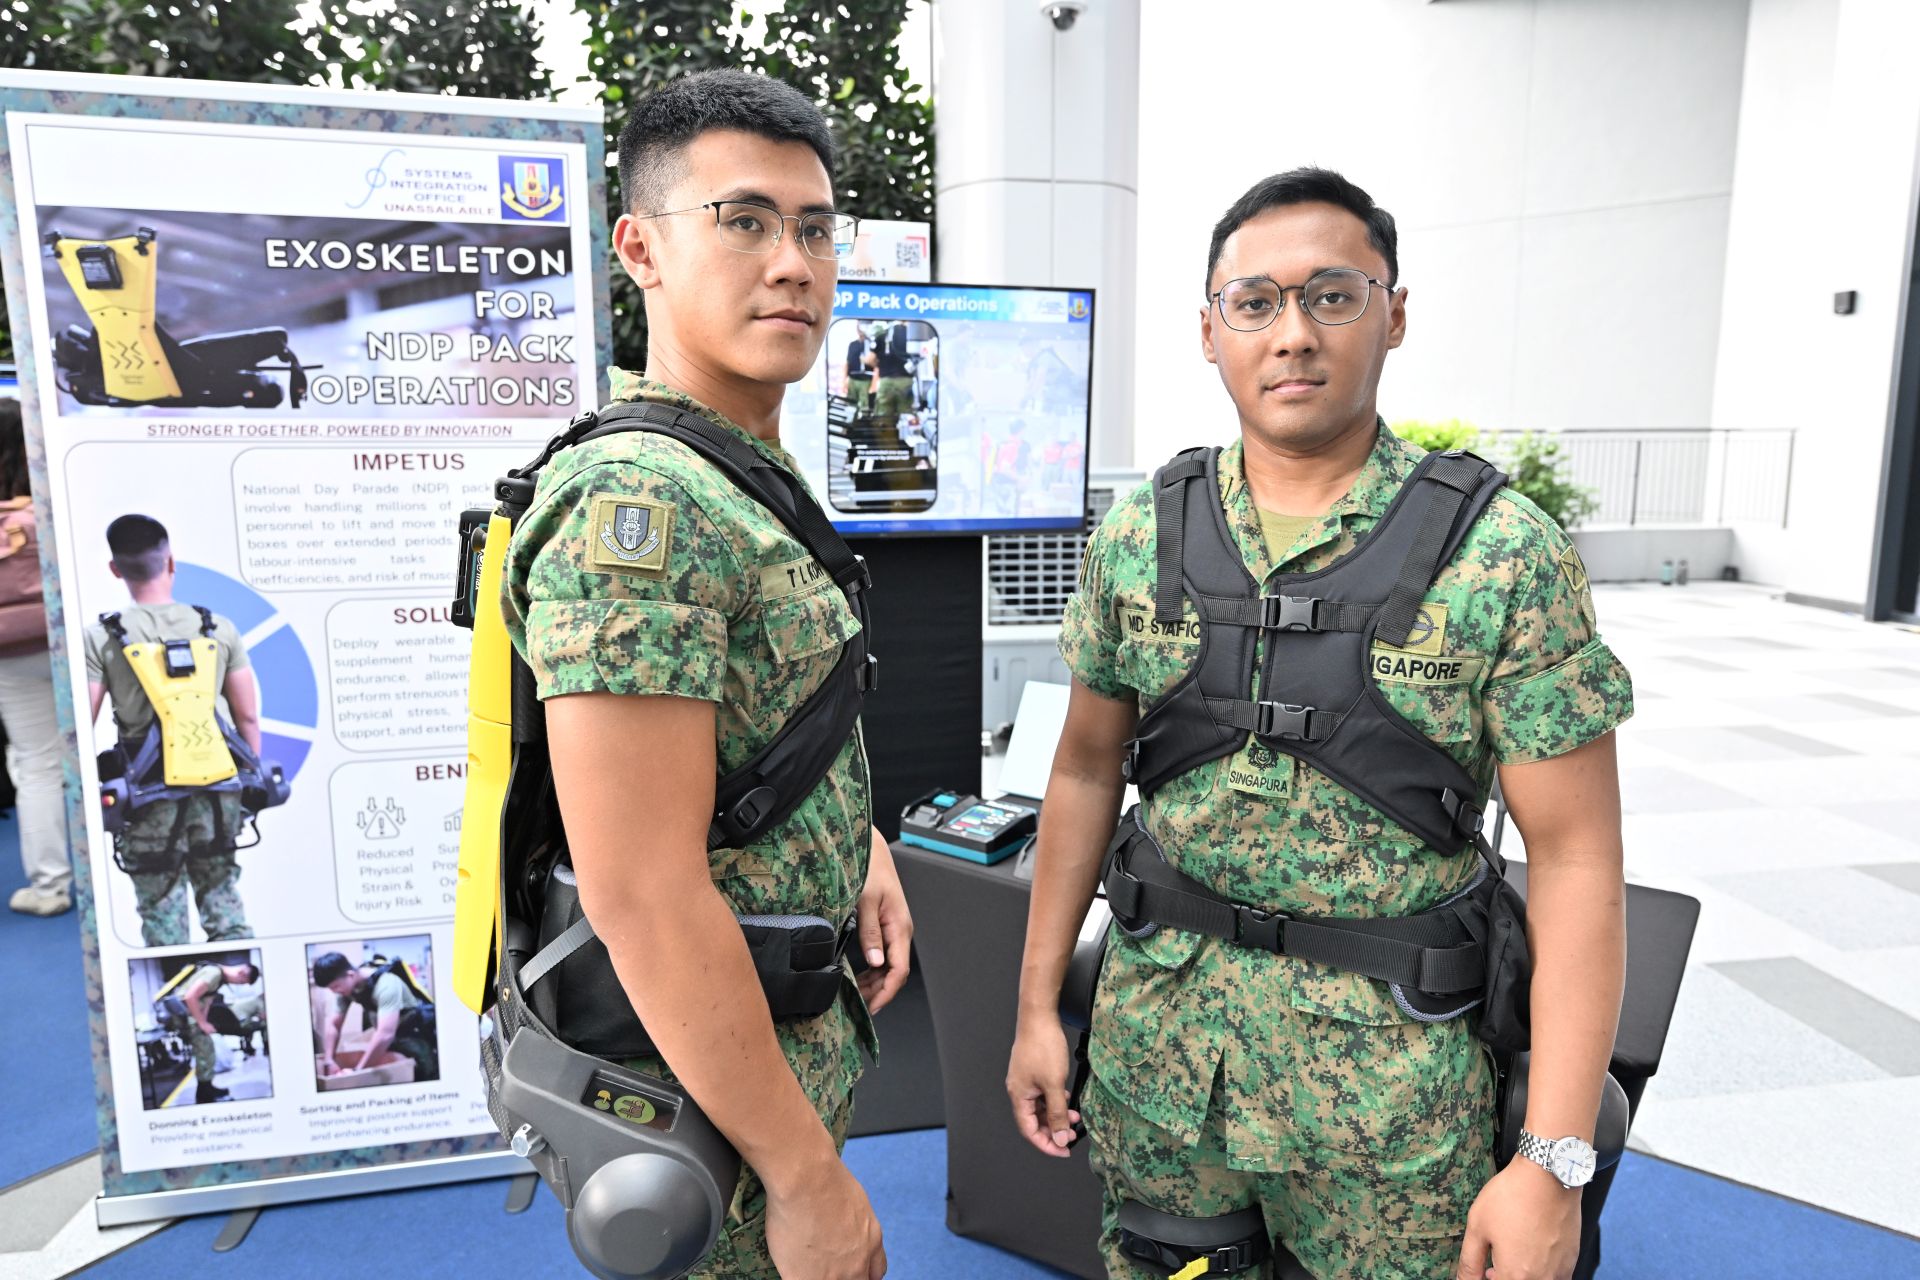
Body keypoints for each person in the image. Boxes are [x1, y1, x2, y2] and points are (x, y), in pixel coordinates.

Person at [1006, 168, 1633, 1280]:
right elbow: (1086, 774)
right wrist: (1037, 1008)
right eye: (1255, 302)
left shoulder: (1502, 554)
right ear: (1210, 330)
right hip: (1164, 1075)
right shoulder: (1138, 537)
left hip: (1394, 1109)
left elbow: (1578, 855)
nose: (1292, 333)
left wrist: (1552, 1159)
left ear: (1394, 313)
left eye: (1332, 296)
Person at [502, 69, 912, 1280]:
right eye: (744, 221)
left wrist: (858, 841)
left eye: (816, 228)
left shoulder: (731, 472)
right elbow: (640, 888)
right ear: (640, 248)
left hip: (771, 1042)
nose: (793, 262)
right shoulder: (642, 500)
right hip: (711, 1106)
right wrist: (806, 1178)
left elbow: (752, 732)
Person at [86, 515, 260, 945]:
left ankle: (177, 982)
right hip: (219, 790)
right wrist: (252, 779)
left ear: (115, 569)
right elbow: (247, 718)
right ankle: (240, 980)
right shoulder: (218, 628)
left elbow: (81, 723)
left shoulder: (100, 637)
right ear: (171, 562)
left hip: (147, 793)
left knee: (161, 910)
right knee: (222, 896)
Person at [0, 400, 72, 916]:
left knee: (37, 766)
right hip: (74, 643)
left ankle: (50, 888)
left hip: (11, 653)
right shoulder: (58, 497)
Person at [312, 950, 438, 1082]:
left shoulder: (387, 984)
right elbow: (334, 1024)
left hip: (415, 1032)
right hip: (391, 1034)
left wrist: (357, 1072)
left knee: (421, 1074)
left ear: (350, 975)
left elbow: (385, 1034)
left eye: (336, 986)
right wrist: (329, 1060)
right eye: (331, 988)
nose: (335, 991)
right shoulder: (346, 987)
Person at [156, 957, 259, 1104]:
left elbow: (207, 1000)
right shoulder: (213, 973)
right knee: (205, 1052)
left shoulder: (219, 978)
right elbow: (190, 996)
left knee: (207, 1051)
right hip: (186, 1017)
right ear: (242, 973)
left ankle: (207, 1088)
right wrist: (202, 1023)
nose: (238, 984)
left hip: (192, 1017)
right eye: (241, 982)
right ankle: (204, 1095)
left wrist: (204, 1023)